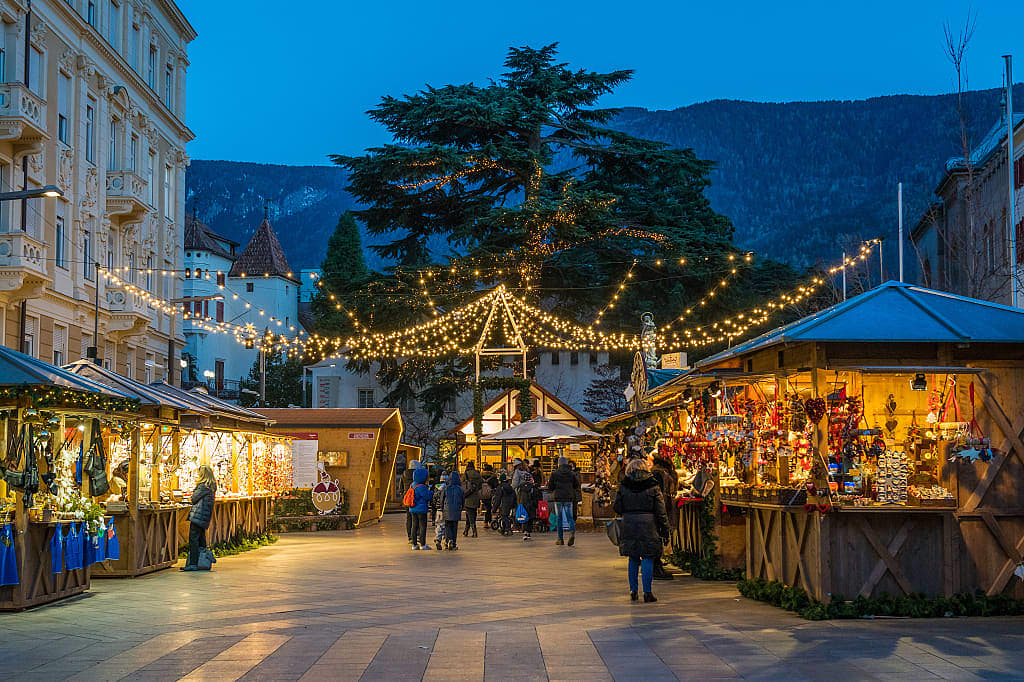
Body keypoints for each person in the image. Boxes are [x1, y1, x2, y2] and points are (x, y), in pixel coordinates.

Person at [613, 458, 670, 603]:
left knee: (633, 558)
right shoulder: (653, 485)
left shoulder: (624, 486)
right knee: (647, 557)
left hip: (629, 524)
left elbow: (617, 508)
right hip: (648, 525)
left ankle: (633, 590)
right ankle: (647, 592)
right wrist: (665, 529)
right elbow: (661, 510)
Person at [181, 465, 217, 571]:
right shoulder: (211, 486)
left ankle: (193, 563)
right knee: (201, 540)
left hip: (198, 515)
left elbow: (193, 499)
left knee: (194, 539)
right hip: (204, 516)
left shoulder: (203, 486)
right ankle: (202, 561)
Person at [650, 455, 680, 580]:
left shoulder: (658, 473)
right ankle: (656, 566)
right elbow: (660, 493)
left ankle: (657, 565)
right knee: (659, 535)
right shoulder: (659, 473)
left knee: (659, 535)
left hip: (661, 507)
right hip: (661, 508)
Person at [547, 456, 581, 546]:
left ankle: (560, 538)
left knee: (559, 518)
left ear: (558, 463)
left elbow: (550, 487)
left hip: (558, 498)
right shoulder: (571, 474)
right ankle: (572, 532)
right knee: (570, 517)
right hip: (569, 498)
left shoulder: (554, 473)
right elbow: (576, 485)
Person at [408, 466, 433, 550]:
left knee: (414, 526)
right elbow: (427, 496)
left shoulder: (412, 484)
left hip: (413, 508)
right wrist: (431, 491)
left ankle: (414, 545)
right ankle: (423, 544)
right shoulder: (421, 487)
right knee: (422, 526)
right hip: (421, 509)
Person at [441, 470, 465, 550]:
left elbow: (442, 499)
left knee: (447, 525)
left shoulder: (446, 488)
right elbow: (462, 500)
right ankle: (453, 543)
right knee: (455, 527)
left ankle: (449, 540)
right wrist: (461, 508)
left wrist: (442, 508)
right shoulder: (460, 489)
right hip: (456, 510)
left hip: (447, 509)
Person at [515, 470, 541, 541]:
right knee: (530, 519)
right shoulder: (533, 488)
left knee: (524, 519)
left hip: (522, 505)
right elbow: (536, 497)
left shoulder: (520, 487)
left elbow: (518, 497)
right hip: (531, 506)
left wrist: (519, 504)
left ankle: (525, 532)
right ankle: (529, 532)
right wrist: (535, 505)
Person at [462, 461, 483, 538]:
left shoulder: (466, 474)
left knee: (470, 515)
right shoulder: (478, 475)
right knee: (471, 514)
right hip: (476, 497)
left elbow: (463, 485)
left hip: (468, 497)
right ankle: (466, 531)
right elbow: (480, 486)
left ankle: (474, 532)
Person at [402, 459, 421, 545]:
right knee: (417, 518)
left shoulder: (404, 474)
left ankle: (410, 536)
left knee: (409, 518)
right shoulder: (419, 474)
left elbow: (400, 486)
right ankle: (417, 535)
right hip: (417, 499)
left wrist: (404, 495)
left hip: (407, 499)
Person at [433, 472, 448, 549]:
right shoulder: (447, 487)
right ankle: (445, 541)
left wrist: (435, 506)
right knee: (446, 525)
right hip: (446, 509)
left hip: (438, 509)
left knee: (439, 524)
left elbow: (434, 498)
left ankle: (438, 538)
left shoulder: (437, 487)